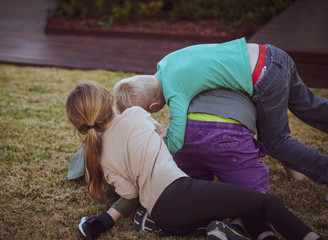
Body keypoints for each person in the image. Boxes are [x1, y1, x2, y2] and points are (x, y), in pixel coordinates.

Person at [66, 81, 322, 240]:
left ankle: (249, 234)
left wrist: (104, 220)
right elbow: (167, 137)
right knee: (265, 202)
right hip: (180, 195)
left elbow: (130, 192)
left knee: (242, 204)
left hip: (165, 217)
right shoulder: (134, 114)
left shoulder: (101, 157)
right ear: (110, 100)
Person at [113, 37, 328, 186]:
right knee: (309, 107)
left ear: (153, 108)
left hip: (263, 76)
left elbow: (176, 142)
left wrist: (153, 145)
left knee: (275, 142)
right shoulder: (166, 62)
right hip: (272, 54)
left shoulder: (175, 91)